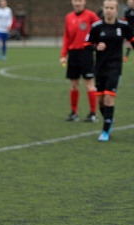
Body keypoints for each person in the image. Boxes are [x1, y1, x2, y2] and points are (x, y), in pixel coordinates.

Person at [85, 0, 134, 141]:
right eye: (107, 7)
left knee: (108, 98)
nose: (109, 10)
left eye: (112, 8)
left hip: (115, 68)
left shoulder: (123, 26)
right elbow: (86, 44)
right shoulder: (96, 27)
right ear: (103, 9)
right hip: (100, 68)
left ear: (116, 10)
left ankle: (105, 131)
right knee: (100, 100)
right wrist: (95, 47)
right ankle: (109, 119)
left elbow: (132, 39)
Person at [60, 0, 100, 123]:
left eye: (80, 1)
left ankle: (93, 113)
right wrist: (63, 55)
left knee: (89, 84)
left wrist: (96, 44)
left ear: (84, 2)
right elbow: (66, 37)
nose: (78, 3)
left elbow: (101, 29)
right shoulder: (69, 17)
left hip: (86, 53)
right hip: (73, 54)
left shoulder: (91, 15)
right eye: (76, 1)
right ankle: (74, 113)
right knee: (74, 84)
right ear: (72, 2)